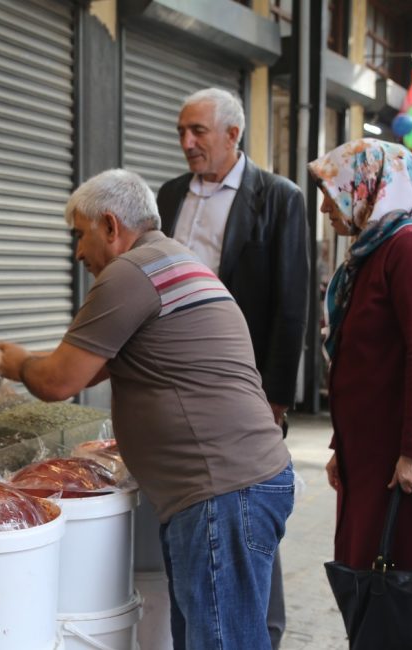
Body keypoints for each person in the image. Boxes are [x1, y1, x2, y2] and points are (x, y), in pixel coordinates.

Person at [0, 169, 294, 650]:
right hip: (237, 483)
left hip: (221, 491)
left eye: (79, 234)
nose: (77, 253)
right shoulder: (176, 260)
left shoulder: (131, 273)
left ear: (111, 227)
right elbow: (93, 365)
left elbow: (60, 381)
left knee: (221, 642)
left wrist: (11, 364)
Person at [156, 87, 308, 648]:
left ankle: (260, 627)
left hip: (242, 381)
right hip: (177, 377)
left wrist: (275, 398)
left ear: (233, 135)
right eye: (181, 131)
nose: (188, 142)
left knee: (245, 501)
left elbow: (291, 303)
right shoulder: (170, 194)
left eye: (198, 131)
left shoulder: (277, 198)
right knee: (203, 503)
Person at [309, 138, 412, 575]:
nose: (326, 208)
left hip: (408, 455)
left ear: (369, 186)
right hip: (375, 450)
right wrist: (343, 444)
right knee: (373, 580)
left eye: (332, 192)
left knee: (411, 588)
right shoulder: (374, 250)